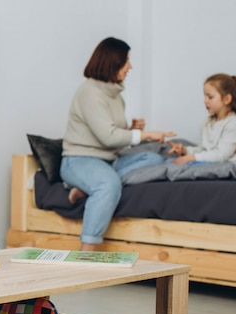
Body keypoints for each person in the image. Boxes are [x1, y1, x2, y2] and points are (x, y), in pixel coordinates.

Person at [60, 37, 175, 251]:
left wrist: (132, 131)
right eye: (127, 60)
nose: (130, 66)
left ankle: (85, 189)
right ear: (113, 62)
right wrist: (146, 135)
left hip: (108, 162)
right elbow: (108, 137)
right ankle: (87, 250)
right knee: (108, 185)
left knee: (153, 158)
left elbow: (114, 140)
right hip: (79, 160)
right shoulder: (89, 92)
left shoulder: (116, 96)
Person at [168, 73, 236, 165]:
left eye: (210, 97)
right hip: (214, 162)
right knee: (171, 162)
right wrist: (185, 151)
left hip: (230, 164)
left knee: (187, 165)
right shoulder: (208, 122)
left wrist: (192, 157)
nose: (205, 101)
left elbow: (221, 155)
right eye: (205, 96)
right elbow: (205, 150)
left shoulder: (234, 122)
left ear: (227, 99)